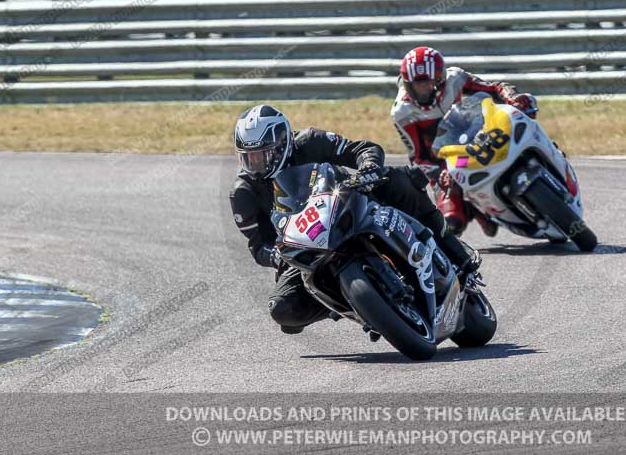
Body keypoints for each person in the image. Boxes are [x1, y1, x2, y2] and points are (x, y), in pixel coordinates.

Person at [229, 104, 480, 334]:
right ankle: (354, 303)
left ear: (283, 143)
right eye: (249, 157)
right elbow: (258, 246)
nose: (256, 164)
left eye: (263, 155)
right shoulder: (243, 193)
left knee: (399, 180)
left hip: (344, 205)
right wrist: (272, 254)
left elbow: (362, 149)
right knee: (283, 310)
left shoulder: (310, 141)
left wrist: (369, 167)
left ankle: (456, 252)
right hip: (303, 244)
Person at [391, 46, 539, 237]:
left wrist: (513, 98)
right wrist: (440, 173)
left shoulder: (456, 78)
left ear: (439, 79)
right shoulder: (402, 113)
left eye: (427, 82)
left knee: (522, 118)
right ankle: (477, 211)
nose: (422, 90)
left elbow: (494, 88)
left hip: (483, 134)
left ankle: (548, 154)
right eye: (416, 84)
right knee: (451, 224)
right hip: (450, 161)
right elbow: (419, 157)